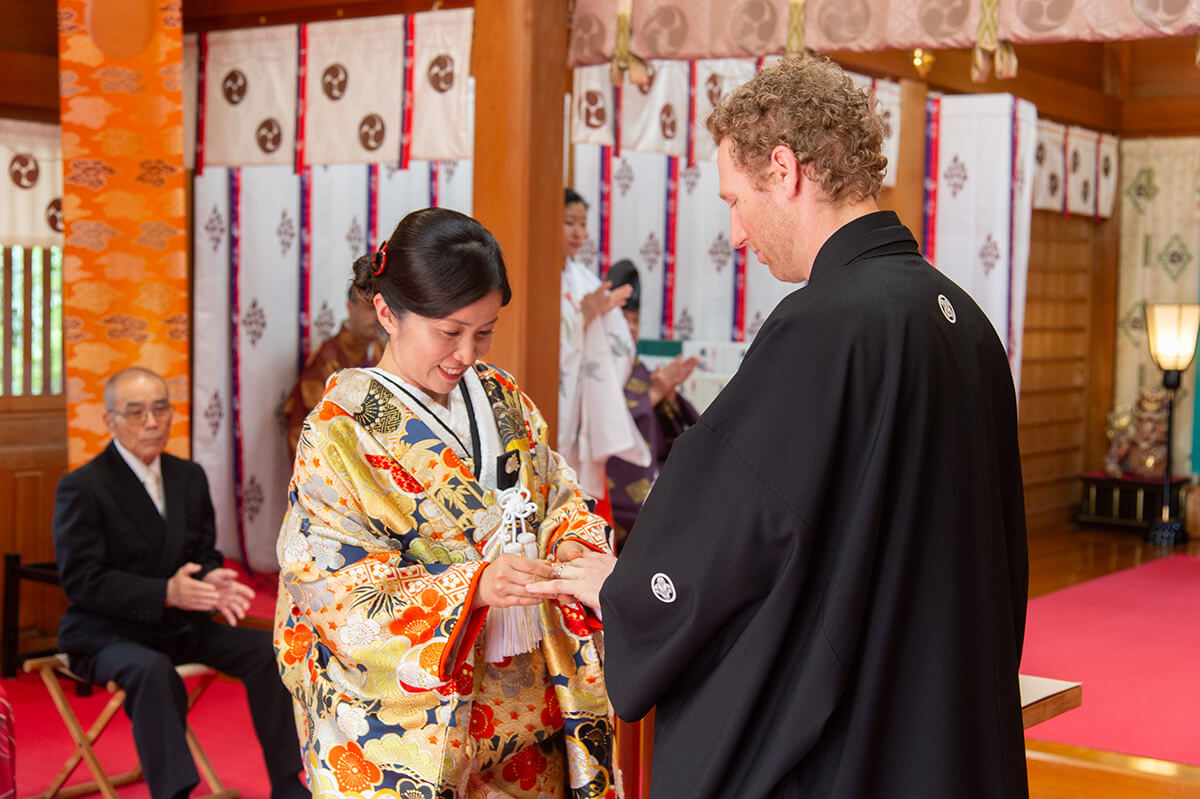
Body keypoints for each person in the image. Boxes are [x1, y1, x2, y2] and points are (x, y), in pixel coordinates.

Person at [531, 56, 1030, 798]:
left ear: (786, 169)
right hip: (948, 722)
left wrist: (633, 589)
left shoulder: (826, 325)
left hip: (860, 742)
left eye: (735, 199)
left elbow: (739, 526)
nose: (735, 233)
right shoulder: (962, 320)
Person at [275, 207, 616, 797]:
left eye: (484, 331)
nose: (466, 354)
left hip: (528, 693)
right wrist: (473, 589)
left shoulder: (502, 396)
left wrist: (575, 549)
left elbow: (557, 492)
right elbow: (330, 583)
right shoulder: (338, 432)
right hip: (420, 709)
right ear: (387, 312)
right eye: (449, 332)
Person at [52, 366, 306, 799]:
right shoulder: (83, 486)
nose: (151, 422)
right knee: (151, 670)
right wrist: (164, 592)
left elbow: (202, 552)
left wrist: (211, 578)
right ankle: (173, 793)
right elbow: (82, 581)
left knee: (268, 652)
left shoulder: (187, 476)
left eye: (160, 409)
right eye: (135, 412)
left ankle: (287, 782)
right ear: (109, 419)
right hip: (108, 634)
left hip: (181, 626)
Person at [559, 189, 649, 508]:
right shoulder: (537, 277)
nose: (578, 232)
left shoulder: (584, 279)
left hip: (580, 404)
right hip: (555, 399)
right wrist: (585, 317)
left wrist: (601, 316)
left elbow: (619, 346)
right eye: (569, 222)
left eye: (582, 224)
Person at [602, 259, 699, 550]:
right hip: (610, 487)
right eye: (623, 320)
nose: (630, 328)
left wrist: (668, 397)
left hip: (650, 489)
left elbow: (672, 429)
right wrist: (654, 393)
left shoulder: (639, 366)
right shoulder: (595, 367)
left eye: (635, 321)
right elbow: (607, 424)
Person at [284, 271, 387, 461]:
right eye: (368, 307)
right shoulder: (328, 359)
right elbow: (313, 428)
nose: (377, 316)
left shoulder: (385, 351)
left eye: (381, 307)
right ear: (350, 307)